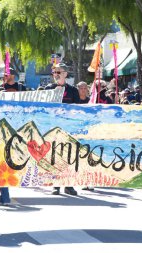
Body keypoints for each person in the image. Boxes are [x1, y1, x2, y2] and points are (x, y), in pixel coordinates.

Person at [46, 63, 79, 195]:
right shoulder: (48, 89)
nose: (56, 74)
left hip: (68, 128)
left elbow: (78, 109)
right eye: (55, 72)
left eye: (59, 71)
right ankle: (56, 185)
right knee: (55, 157)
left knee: (69, 157)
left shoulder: (73, 90)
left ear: (65, 74)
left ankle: (69, 185)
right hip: (53, 128)